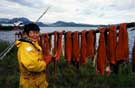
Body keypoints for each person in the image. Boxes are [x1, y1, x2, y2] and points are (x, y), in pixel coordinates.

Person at [16, 23, 52, 88]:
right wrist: (45, 63)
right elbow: (32, 65)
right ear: (26, 34)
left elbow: (35, 56)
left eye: (37, 33)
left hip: (39, 80)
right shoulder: (26, 47)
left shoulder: (33, 43)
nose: (35, 35)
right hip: (30, 83)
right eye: (32, 33)